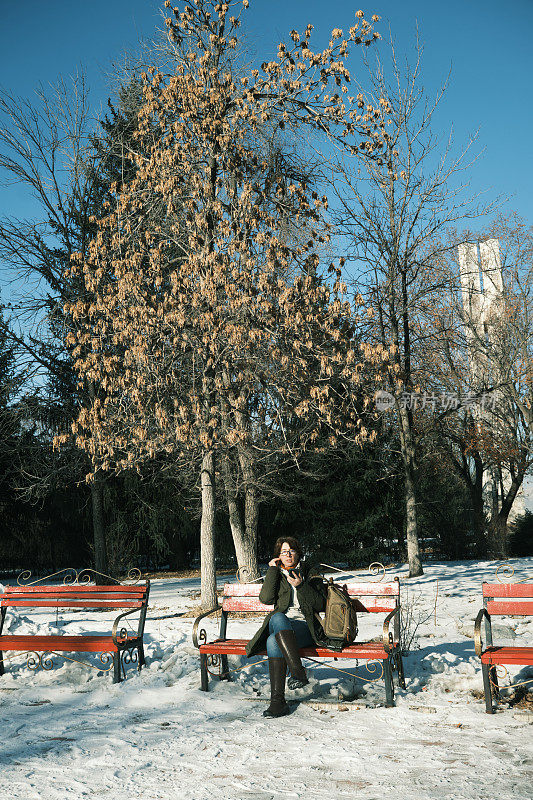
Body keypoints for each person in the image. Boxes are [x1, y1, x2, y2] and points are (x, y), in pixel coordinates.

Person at [246, 536, 326, 718]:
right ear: (278, 556)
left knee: (272, 640)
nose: (288, 554)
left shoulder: (310, 572)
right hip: (282, 625)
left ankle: (278, 701)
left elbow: (320, 604)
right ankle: (297, 674)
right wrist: (272, 571)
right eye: (284, 552)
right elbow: (265, 599)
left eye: (291, 551)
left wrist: (301, 586)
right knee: (278, 618)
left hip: (305, 627)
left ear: (298, 553)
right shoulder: (277, 574)